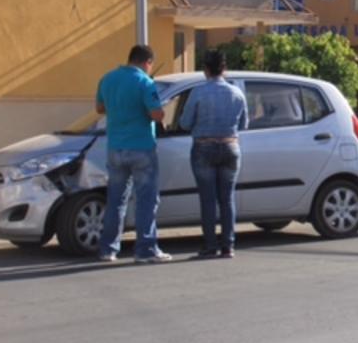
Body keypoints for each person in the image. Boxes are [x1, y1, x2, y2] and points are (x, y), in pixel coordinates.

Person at [96, 44, 171, 264]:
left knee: (116, 200)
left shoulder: (107, 79)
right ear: (148, 62)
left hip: (115, 147)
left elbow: (99, 108)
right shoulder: (145, 82)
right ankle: (145, 249)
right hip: (141, 147)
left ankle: (108, 249)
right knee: (146, 200)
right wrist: (158, 108)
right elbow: (156, 114)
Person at [179, 49, 248, 259]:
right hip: (230, 146)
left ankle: (210, 245)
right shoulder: (237, 93)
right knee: (227, 199)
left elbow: (185, 123)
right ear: (224, 69)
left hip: (204, 147)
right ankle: (228, 245)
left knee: (208, 199)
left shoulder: (198, 92)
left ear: (205, 70)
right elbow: (244, 124)